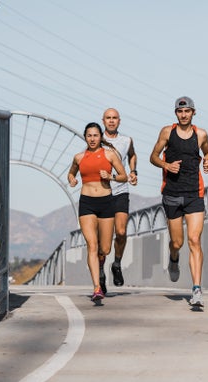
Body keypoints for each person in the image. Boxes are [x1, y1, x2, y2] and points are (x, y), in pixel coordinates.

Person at [149, 96, 208, 307]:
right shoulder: (167, 132)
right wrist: (166, 166)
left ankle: (196, 289)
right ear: (176, 113)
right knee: (178, 242)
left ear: (194, 112)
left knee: (194, 240)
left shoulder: (201, 134)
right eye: (180, 111)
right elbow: (154, 156)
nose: (183, 115)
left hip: (195, 192)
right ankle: (174, 257)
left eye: (187, 111)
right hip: (172, 193)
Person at [67, 122, 128, 302]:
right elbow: (71, 174)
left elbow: (124, 176)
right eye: (89, 136)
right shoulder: (79, 157)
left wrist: (111, 177)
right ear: (85, 137)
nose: (92, 139)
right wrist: (72, 180)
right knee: (92, 246)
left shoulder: (110, 155)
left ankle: (102, 266)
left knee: (105, 248)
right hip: (87, 203)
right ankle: (96, 288)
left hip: (106, 202)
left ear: (100, 136)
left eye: (95, 135)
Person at [101, 108, 138, 291]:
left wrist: (133, 172)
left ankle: (116, 263)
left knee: (121, 232)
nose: (111, 121)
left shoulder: (126, 140)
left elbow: (132, 155)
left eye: (114, 118)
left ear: (119, 121)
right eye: (108, 118)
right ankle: (100, 272)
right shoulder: (95, 140)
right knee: (103, 239)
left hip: (121, 189)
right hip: (102, 192)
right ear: (103, 120)